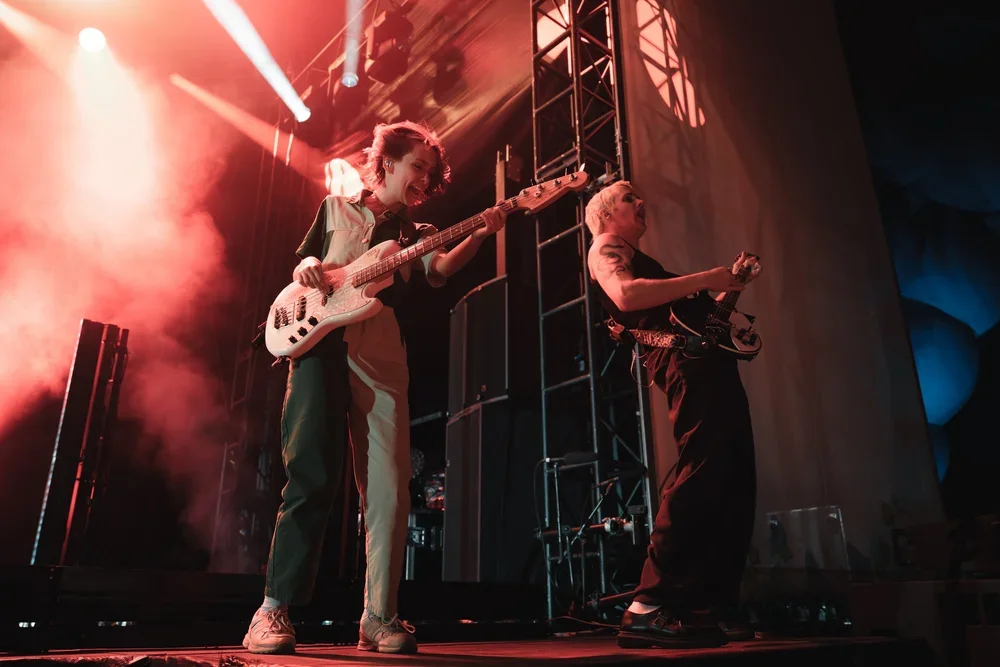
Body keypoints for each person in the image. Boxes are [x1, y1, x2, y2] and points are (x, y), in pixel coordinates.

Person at [243, 121, 506, 655]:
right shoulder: (335, 208)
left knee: (389, 483)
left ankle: (379, 617)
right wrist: (311, 265)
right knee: (311, 473)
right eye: (418, 167)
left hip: (382, 349)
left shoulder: (417, 232)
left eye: (432, 174)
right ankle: (272, 611)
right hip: (319, 344)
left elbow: (440, 270)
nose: (425, 180)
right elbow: (306, 262)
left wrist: (483, 230)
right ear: (387, 163)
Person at [584, 181, 761, 648]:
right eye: (628, 197)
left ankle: (706, 603)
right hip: (689, 369)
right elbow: (623, 295)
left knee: (732, 474)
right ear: (604, 213)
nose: (640, 203)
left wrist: (730, 291)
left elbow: (695, 326)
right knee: (701, 470)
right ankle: (648, 606)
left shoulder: (644, 263)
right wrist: (706, 278)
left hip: (705, 364)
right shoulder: (606, 246)